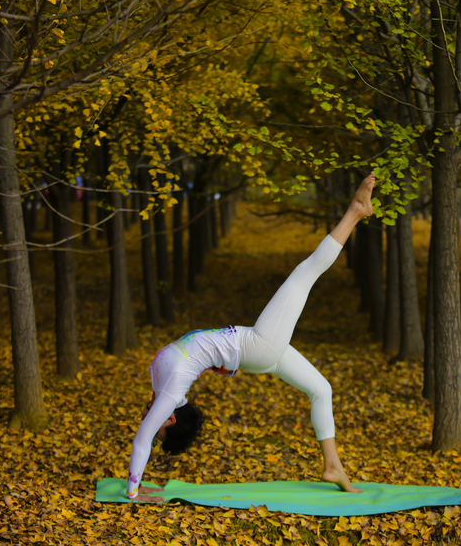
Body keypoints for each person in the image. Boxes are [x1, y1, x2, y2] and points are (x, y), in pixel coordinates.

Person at [126, 173, 376, 502]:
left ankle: (333, 467)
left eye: (158, 428)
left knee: (321, 389)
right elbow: (143, 438)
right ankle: (356, 210)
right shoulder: (170, 393)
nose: (152, 423)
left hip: (257, 350)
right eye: (161, 428)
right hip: (256, 346)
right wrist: (134, 491)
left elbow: (150, 430)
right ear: (169, 418)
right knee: (304, 274)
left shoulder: (163, 387)